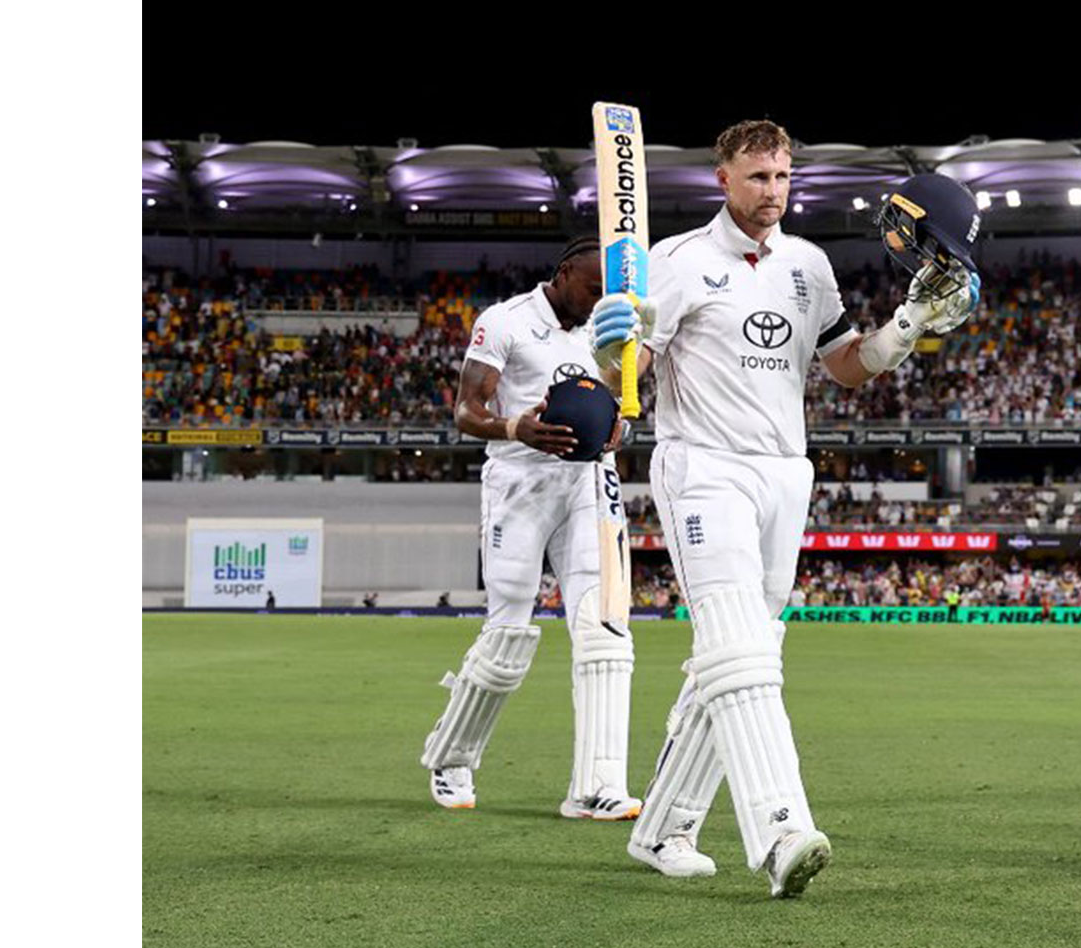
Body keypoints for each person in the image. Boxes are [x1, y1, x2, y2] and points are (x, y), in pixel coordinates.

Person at [590, 121, 981, 898]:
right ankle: (780, 830)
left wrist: (906, 326)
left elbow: (844, 366)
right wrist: (610, 352)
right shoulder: (675, 261)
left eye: (783, 176)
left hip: (784, 475)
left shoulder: (809, 264)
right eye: (759, 176)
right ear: (724, 179)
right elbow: (627, 372)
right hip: (704, 468)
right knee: (742, 650)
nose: (774, 190)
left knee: (739, 651)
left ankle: (664, 827)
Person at [418, 237, 643, 822]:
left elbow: (616, 402)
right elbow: (465, 411)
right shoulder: (505, 321)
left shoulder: (605, 330)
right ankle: (452, 756)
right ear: (564, 273)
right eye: (591, 289)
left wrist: (617, 428)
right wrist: (515, 427)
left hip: (589, 483)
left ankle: (597, 784)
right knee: (508, 634)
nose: (596, 303)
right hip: (520, 485)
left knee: (605, 628)